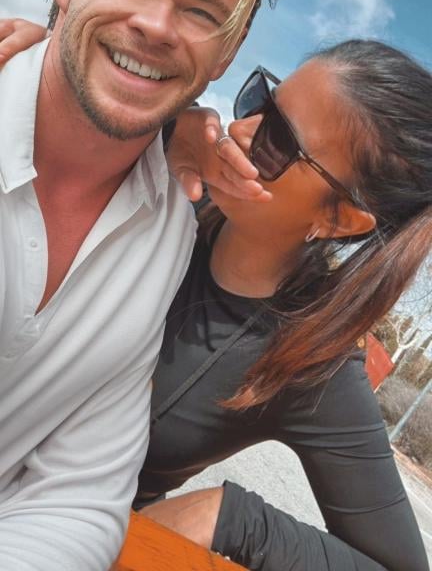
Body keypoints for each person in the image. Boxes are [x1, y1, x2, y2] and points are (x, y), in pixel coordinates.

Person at [0, 0, 298, 570]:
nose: (159, 26)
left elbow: (80, 495)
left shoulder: (168, 231)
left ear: (227, 53)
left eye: (202, 12)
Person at [132, 41, 430, 571]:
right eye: (259, 101)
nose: (241, 129)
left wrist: (232, 517)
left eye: (277, 141)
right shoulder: (170, 167)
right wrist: (152, 130)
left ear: (339, 219)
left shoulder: (309, 363)